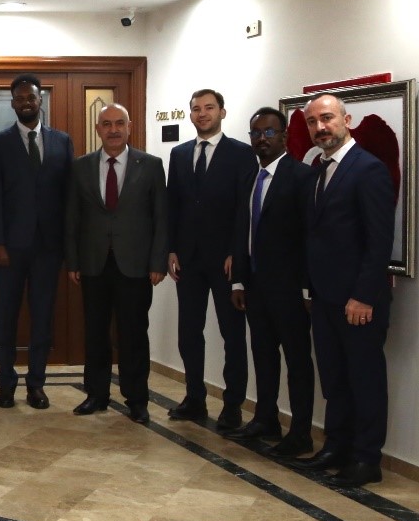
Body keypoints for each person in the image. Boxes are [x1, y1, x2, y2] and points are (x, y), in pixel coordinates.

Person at [294, 93, 395, 487]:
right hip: (325, 298)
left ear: (346, 120)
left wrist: (364, 295)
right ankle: (336, 447)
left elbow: (378, 240)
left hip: (358, 301)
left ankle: (367, 459)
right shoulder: (319, 171)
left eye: (327, 118)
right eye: (313, 121)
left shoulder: (368, 169)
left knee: (364, 380)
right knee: (334, 378)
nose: (321, 127)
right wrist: (311, 290)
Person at [65, 103, 167, 425]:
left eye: (119, 123)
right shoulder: (81, 166)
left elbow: (161, 217)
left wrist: (158, 261)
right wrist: (73, 260)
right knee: (95, 332)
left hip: (135, 264)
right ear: (98, 129)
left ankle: (137, 399)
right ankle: (96, 394)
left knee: (133, 333)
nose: (113, 130)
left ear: (129, 127)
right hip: (93, 263)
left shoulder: (150, 165)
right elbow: (72, 217)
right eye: (107, 124)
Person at [165, 89, 257, 430]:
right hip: (187, 259)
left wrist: (237, 251)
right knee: (189, 332)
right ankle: (194, 398)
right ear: (190, 114)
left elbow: (245, 208)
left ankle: (232, 405)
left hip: (225, 261)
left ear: (222, 112)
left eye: (209, 108)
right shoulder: (179, 154)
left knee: (232, 334)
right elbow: (173, 204)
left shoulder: (242, 154)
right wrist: (171, 249)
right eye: (196, 109)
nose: (202, 113)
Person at [228, 107, 315, 456]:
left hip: (290, 289)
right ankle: (266, 419)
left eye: (268, 132)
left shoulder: (302, 176)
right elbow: (242, 230)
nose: (261, 139)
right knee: (263, 356)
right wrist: (238, 282)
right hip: (255, 286)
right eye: (255, 133)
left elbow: (310, 237)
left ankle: (301, 433)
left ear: (283, 136)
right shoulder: (250, 176)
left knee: (297, 361)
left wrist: (307, 287)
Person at [0, 74, 72, 410]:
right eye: (19, 99)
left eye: (31, 98)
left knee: (42, 319)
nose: (25, 103)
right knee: (5, 319)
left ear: (40, 100)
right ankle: (6, 384)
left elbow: (68, 197)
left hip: (48, 249)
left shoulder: (62, 141)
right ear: (12, 104)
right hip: (10, 249)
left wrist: (67, 245)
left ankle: (36, 385)